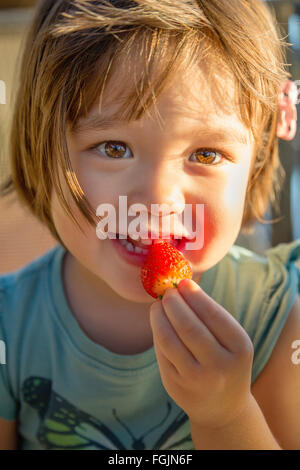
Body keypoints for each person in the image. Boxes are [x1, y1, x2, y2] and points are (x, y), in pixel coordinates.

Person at [0, 0, 299, 450]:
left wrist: (227, 415)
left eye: (206, 154)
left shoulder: (277, 316)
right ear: (40, 147)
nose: (158, 199)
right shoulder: (10, 328)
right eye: (114, 147)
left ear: (254, 164)